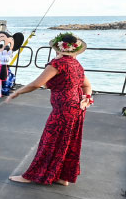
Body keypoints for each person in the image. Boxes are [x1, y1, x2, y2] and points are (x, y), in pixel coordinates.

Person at [8, 33, 93, 186]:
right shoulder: (76, 64)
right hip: (78, 108)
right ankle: (62, 176)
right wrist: (87, 97)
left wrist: (17, 92)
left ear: (57, 49)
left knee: (50, 141)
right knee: (68, 141)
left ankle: (32, 175)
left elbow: (36, 84)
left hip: (64, 109)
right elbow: (87, 85)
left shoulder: (57, 64)